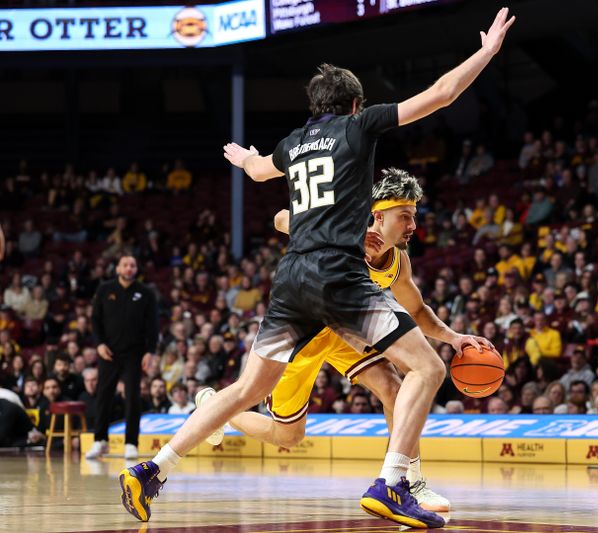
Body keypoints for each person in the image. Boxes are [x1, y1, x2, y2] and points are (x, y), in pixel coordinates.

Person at [120, 9, 515, 528]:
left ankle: (153, 468)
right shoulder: (359, 125)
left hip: (292, 278)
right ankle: (393, 482)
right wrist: (485, 52)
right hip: (338, 275)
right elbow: (441, 93)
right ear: (355, 104)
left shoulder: (294, 142)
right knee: (428, 368)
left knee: (247, 392)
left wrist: (243, 159)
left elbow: (261, 171)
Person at [204, 169, 488, 511]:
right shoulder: (344, 229)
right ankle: (214, 409)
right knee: (288, 436)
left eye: (413, 217)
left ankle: (408, 483)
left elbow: (417, 309)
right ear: (378, 216)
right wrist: (333, 232)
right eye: (405, 217)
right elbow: (281, 217)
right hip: (302, 329)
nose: (413, 226)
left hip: (344, 331)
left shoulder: (398, 261)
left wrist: (453, 337)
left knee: (394, 387)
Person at [86, 255, 158, 461]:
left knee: (132, 397)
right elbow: (95, 320)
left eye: (132, 265)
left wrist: (150, 351)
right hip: (108, 352)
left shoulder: (145, 293)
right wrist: (99, 343)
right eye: (125, 265)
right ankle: (100, 441)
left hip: (134, 353)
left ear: (136, 269)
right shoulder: (104, 289)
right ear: (118, 268)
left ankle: (131, 443)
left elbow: (153, 325)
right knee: (103, 395)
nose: (129, 268)